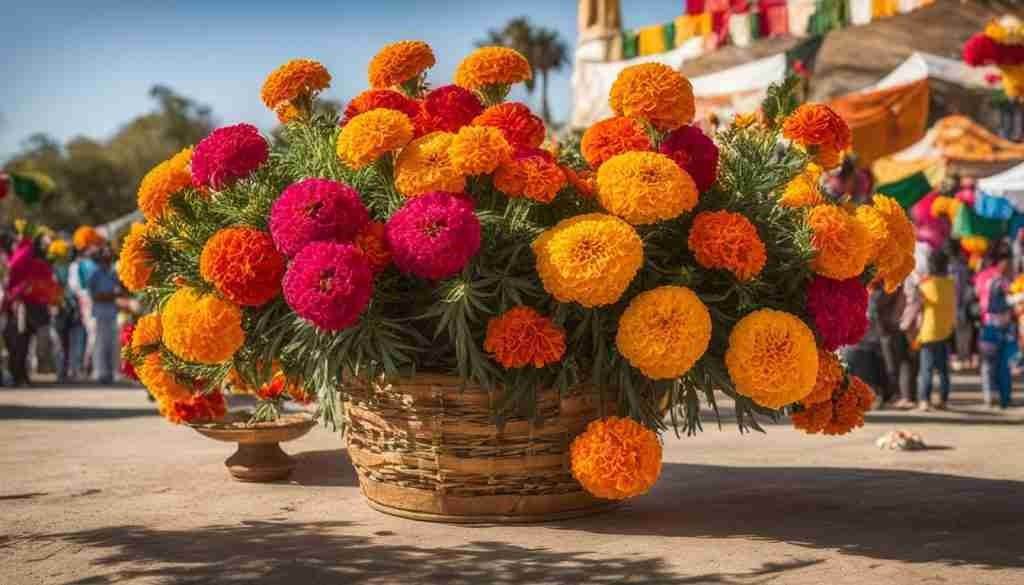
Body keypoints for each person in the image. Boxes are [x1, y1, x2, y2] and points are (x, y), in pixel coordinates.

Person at [2, 236, 54, 386]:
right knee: (20, 344)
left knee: (21, 343)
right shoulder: (16, 262)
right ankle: (19, 376)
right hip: (21, 308)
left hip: (25, 308)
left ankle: (21, 376)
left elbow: (45, 284)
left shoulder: (25, 263)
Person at [916, 251, 956, 411]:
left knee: (926, 369)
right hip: (945, 332)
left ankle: (924, 400)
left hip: (928, 333)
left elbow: (917, 300)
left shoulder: (927, 285)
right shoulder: (950, 284)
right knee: (943, 370)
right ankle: (944, 399)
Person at [977, 249, 1016, 409]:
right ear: (1002, 263)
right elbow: (1007, 301)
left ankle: (991, 396)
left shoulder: (984, 277)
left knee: (990, 365)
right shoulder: (1000, 281)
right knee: (1000, 364)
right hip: (997, 328)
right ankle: (1002, 398)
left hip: (989, 327)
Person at [86, 247, 122, 385]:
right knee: (99, 343)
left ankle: (113, 372)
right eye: (105, 255)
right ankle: (100, 372)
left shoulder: (113, 273)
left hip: (112, 313)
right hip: (99, 313)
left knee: (113, 344)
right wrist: (108, 296)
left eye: (109, 255)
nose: (107, 257)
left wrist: (110, 296)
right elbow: (93, 295)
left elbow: (119, 292)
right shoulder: (95, 273)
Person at [946, 240, 978, 371]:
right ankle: (970, 358)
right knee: (970, 330)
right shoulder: (965, 267)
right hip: (965, 303)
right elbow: (970, 286)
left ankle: (954, 358)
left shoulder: (946, 268)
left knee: (951, 332)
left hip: (950, 305)